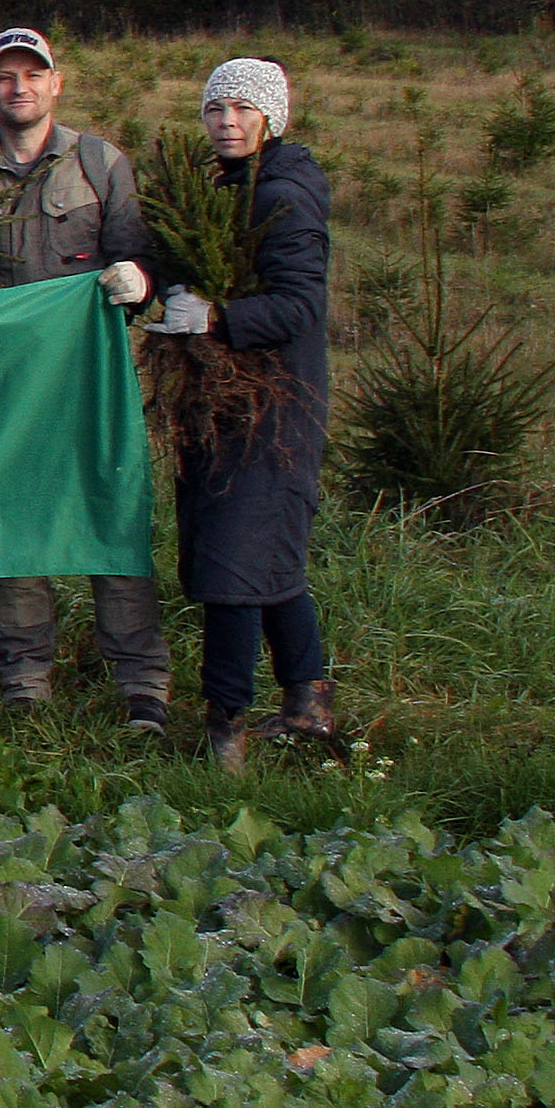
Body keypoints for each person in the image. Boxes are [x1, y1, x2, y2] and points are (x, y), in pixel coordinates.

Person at [0, 26, 167, 727]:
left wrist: (138, 281)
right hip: (6, 390)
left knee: (111, 523)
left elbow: (141, 261)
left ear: (56, 83)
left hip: (92, 384)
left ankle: (142, 683)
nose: (18, 87)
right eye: (4, 76)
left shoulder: (99, 164)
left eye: (32, 75)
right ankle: (26, 681)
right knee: (16, 530)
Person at [154, 60, 334, 769]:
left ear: (271, 117)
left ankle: (223, 726)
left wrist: (218, 317)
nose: (226, 121)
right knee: (263, 554)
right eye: (214, 109)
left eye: (241, 108)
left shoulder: (283, 193)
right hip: (227, 404)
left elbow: (300, 304)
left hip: (274, 407)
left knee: (232, 565)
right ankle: (307, 700)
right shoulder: (229, 185)